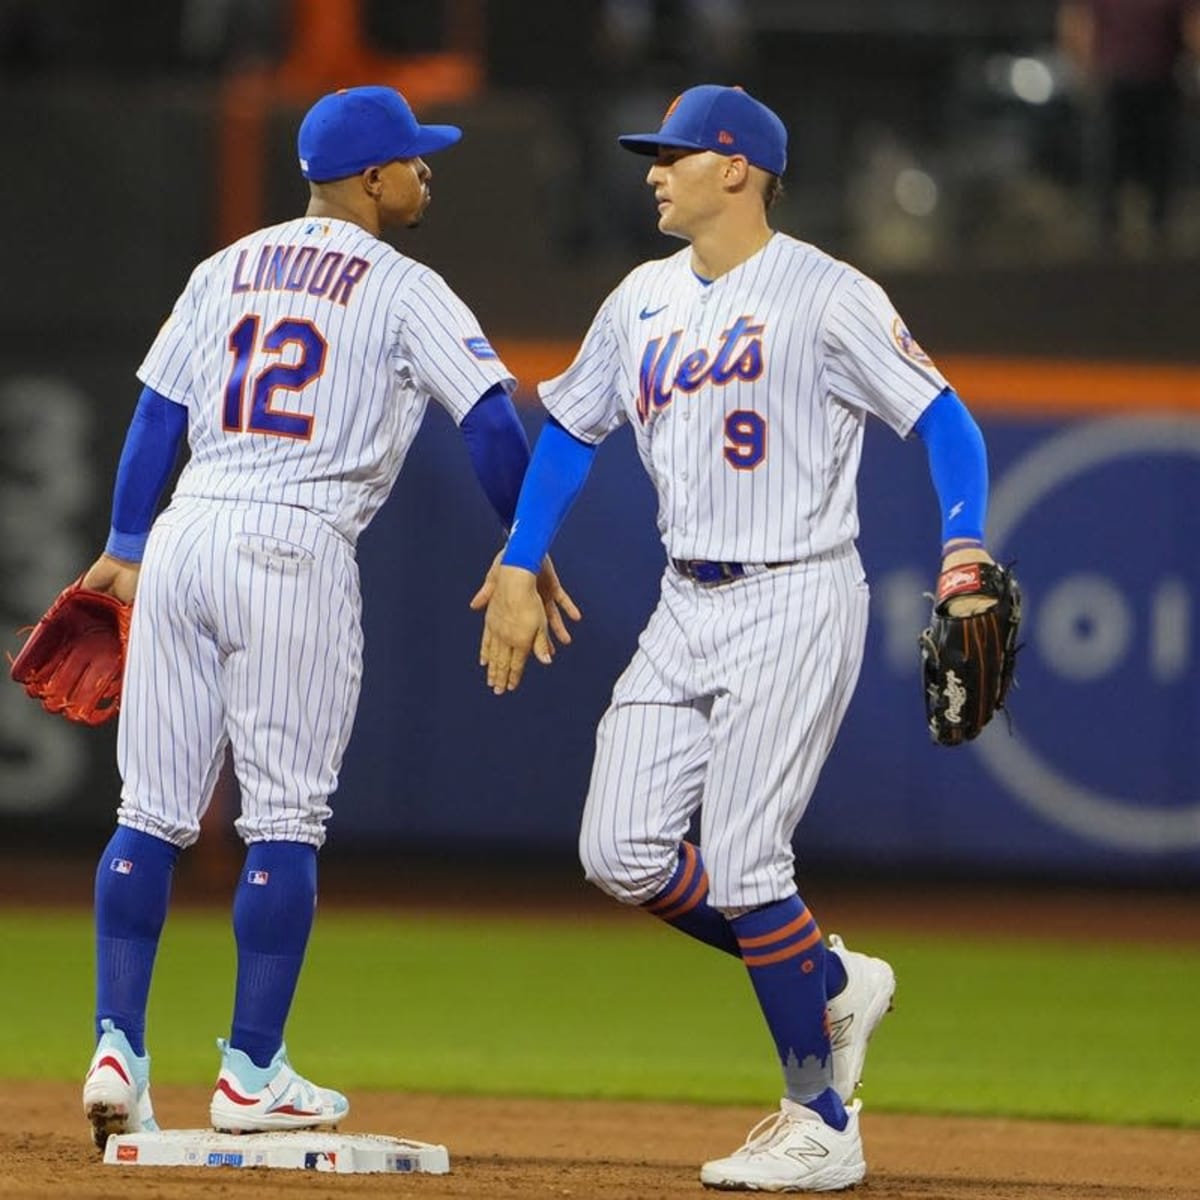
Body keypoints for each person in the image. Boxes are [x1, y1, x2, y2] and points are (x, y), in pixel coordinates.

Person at [477, 84, 998, 1192]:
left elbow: (944, 419)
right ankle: (832, 979)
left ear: (738, 168)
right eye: (650, 155)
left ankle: (821, 1118)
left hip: (797, 593)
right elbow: (570, 433)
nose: (652, 172)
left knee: (752, 858)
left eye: (673, 154)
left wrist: (964, 547)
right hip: (685, 602)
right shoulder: (640, 300)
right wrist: (521, 556)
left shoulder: (829, 294)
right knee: (619, 850)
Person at [79, 84, 577, 1148]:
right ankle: (252, 1070)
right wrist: (524, 546)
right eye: (414, 159)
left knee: (149, 811)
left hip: (184, 531)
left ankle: (116, 1043)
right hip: (293, 542)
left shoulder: (224, 268)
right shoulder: (405, 288)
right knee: (285, 821)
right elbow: (491, 423)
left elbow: (156, 413)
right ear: (368, 178)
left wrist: (126, 545)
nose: (426, 172)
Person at [1058, 0, 1200, 251]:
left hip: (1160, 78)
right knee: (1107, 159)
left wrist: (1192, 69)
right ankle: (1105, 230)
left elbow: (1192, 25)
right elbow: (1077, 22)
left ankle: (1160, 226)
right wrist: (1084, 69)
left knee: (1161, 157)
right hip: (1115, 79)